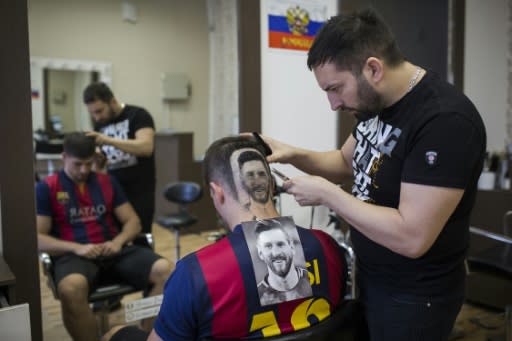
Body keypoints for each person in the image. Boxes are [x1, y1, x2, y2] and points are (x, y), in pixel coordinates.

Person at [256, 8, 487, 341]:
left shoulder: (444, 122)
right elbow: (345, 161)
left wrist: (329, 195)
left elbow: (412, 237)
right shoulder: (374, 105)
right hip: (371, 277)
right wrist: (292, 153)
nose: (333, 104)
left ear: (373, 69)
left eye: (335, 89)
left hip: (415, 297)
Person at [105, 135, 348, 341]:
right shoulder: (326, 247)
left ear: (216, 192)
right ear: (272, 186)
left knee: (114, 334)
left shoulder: (195, 273)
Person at [36, 132, 172, 341]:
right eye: (78, 164)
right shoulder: (47, 188)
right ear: (64, 157)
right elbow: (38, 238)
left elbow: (133, 222)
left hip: (114, 250)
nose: (84, 170)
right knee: (70, 289)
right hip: (75, 256)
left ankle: (148, 336)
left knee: (167, 271)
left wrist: (117, 242)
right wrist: (76, 248)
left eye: (89, 164)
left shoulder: (107, 182)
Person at [83, 82, 156, 233]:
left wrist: (107, 140)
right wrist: (97, 158)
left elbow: (146, 147)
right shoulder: (100, 124)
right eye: (92, 113)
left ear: (113, 101)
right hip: (114, 193)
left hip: (140, 191)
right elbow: (101, 166)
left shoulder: (138, 115)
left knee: (140, 237)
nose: (96, 117)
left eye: (99, 111)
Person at [254, 219, 311, 305]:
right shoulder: (258, 295)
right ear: (260, 253)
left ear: (292, 247)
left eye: (280, 244)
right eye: (268, 246)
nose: (276, 253)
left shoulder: (312, 279)